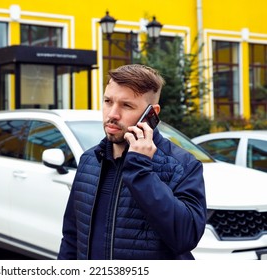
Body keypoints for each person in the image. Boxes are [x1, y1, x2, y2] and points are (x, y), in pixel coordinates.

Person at [58, 64, 207, 260]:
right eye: (108, 101)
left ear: (151, 114)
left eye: (126, 105)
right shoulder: (90, 160)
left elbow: (185, 237)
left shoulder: (183, 165)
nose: (112, 114)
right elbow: (72, 237)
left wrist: (141, 170)